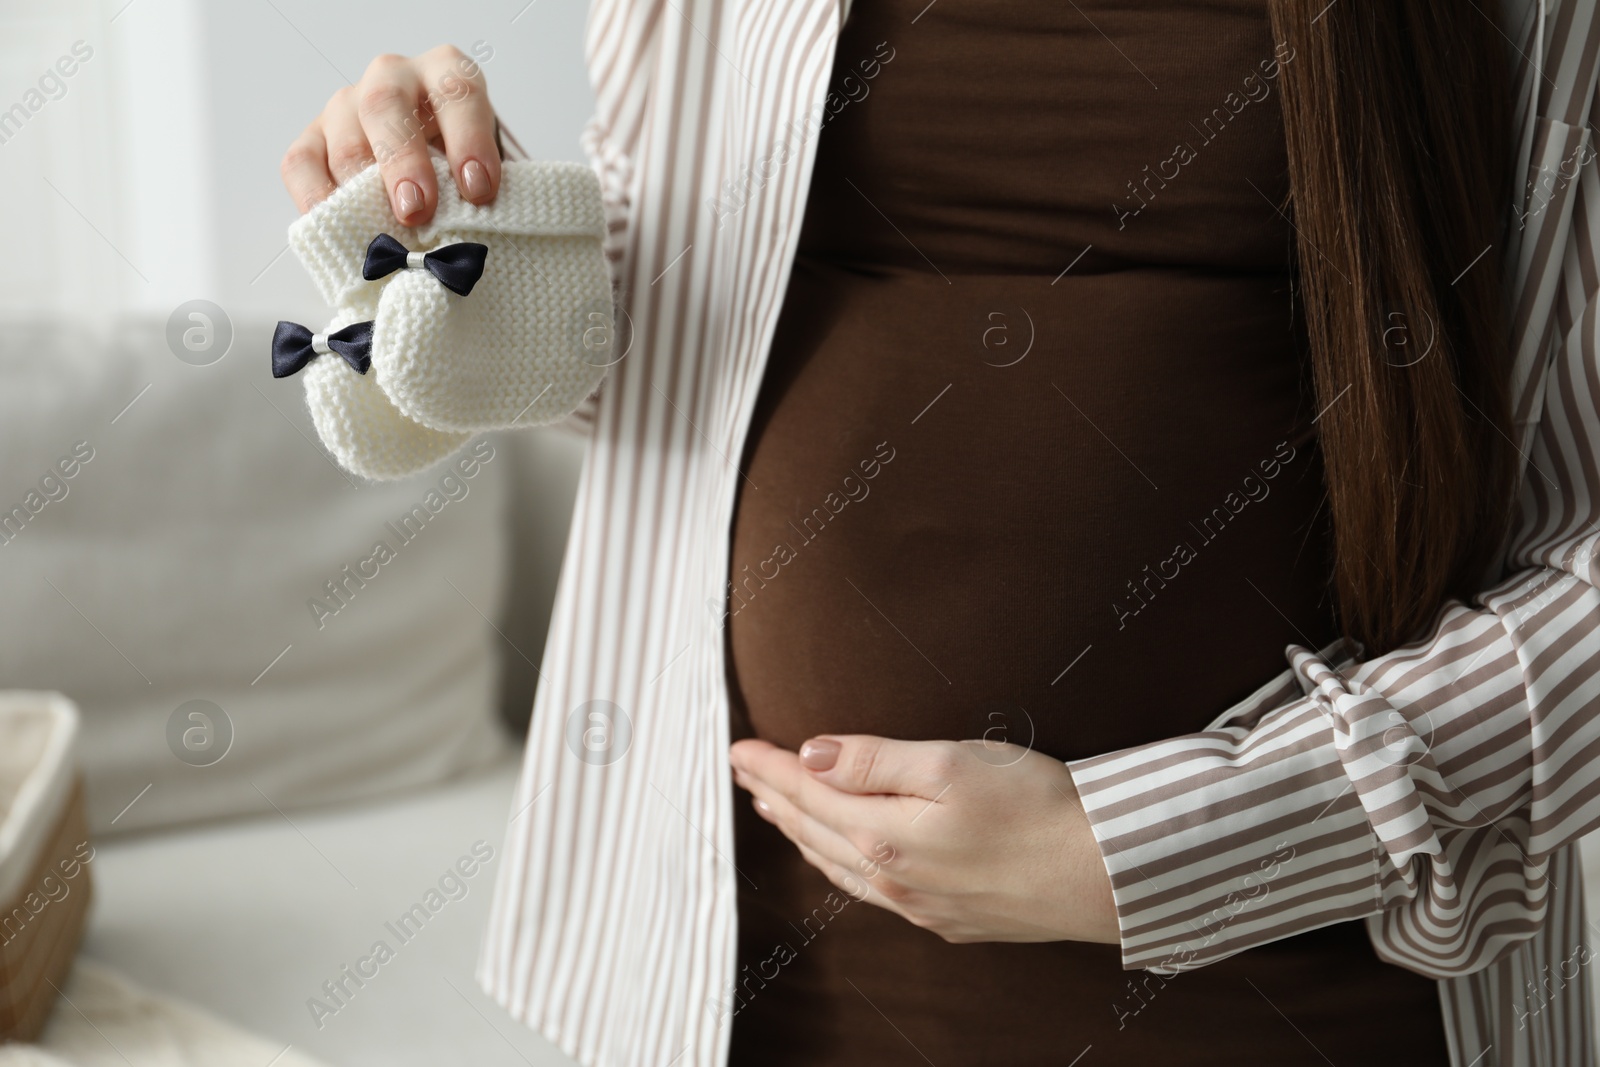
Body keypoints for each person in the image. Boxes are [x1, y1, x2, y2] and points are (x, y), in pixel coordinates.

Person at [281, 1, 1600, 1064]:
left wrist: (1174, 842)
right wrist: (487, 246)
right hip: (752, 972)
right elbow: (694, 342)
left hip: (1304, 967)